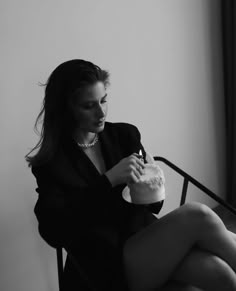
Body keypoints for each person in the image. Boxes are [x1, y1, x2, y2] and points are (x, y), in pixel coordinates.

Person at [26, 59, 236, 291]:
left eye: (104, 100)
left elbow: (152, 206)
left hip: (146, 239)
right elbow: (54, 232)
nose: (101, 112)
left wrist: (151, 184)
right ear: (67, 109)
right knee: (197, 214)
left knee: (221, 274)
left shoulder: (124, 135)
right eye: (88, 106)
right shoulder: (53, 163)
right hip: (106, 264)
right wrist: (109, 181)